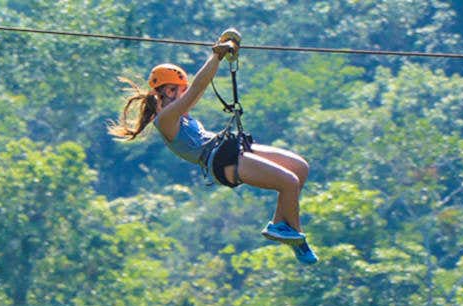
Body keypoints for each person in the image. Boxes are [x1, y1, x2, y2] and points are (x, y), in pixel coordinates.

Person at [107, 33, 318, 264]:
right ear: (169, 92)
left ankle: (280, 223)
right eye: (181, 89)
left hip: (230, 147)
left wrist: (223, 49)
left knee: (300, 167)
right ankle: (298, 239)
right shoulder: (166, 120)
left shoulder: (181, 116)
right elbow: (198, 87)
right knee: (289, 182)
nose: (186, 94)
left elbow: (199, 88)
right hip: (221, 160)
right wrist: (217, 55)